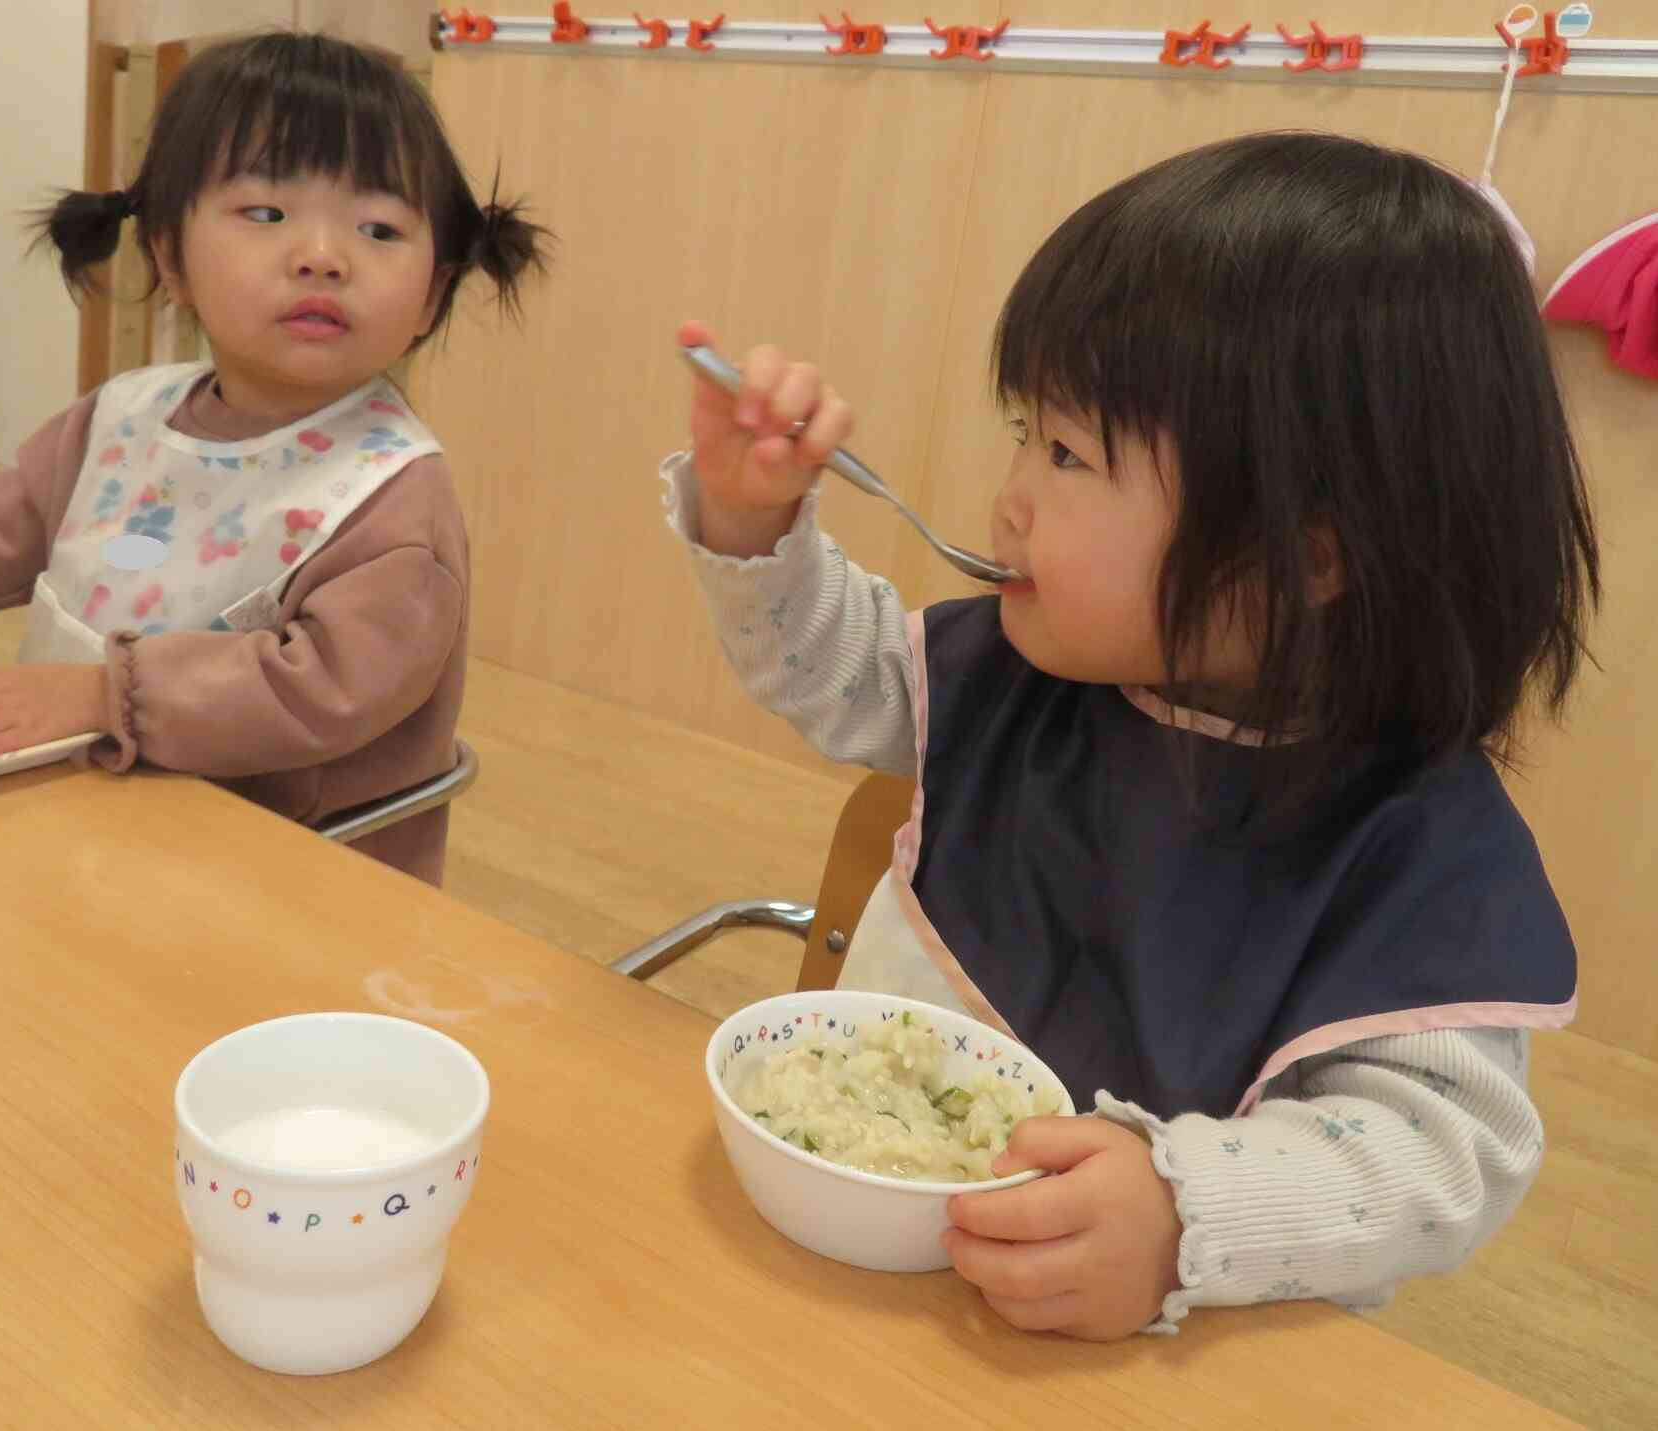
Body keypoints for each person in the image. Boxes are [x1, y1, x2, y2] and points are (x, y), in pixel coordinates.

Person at [664, 132, 1598, 1338]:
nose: (1009, 493)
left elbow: (1439, 1158)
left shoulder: (1416, 844)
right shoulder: (1019, 671)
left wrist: (1183, 1215)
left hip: (1163, 1346)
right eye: (1024, 429)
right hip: (863, 1270)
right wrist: (752, 519)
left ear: (1301, 556)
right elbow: (829, 673)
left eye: (1066, 454)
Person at [0, 32, 548, 884]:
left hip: (284, 883)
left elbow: (323, 686)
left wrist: (97, 693)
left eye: (379, 228)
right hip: (80, 823)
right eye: (266, 214)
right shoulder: (124, 420)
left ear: (434, 292)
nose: (322, 256)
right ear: (170, 257)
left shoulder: (390, 493)